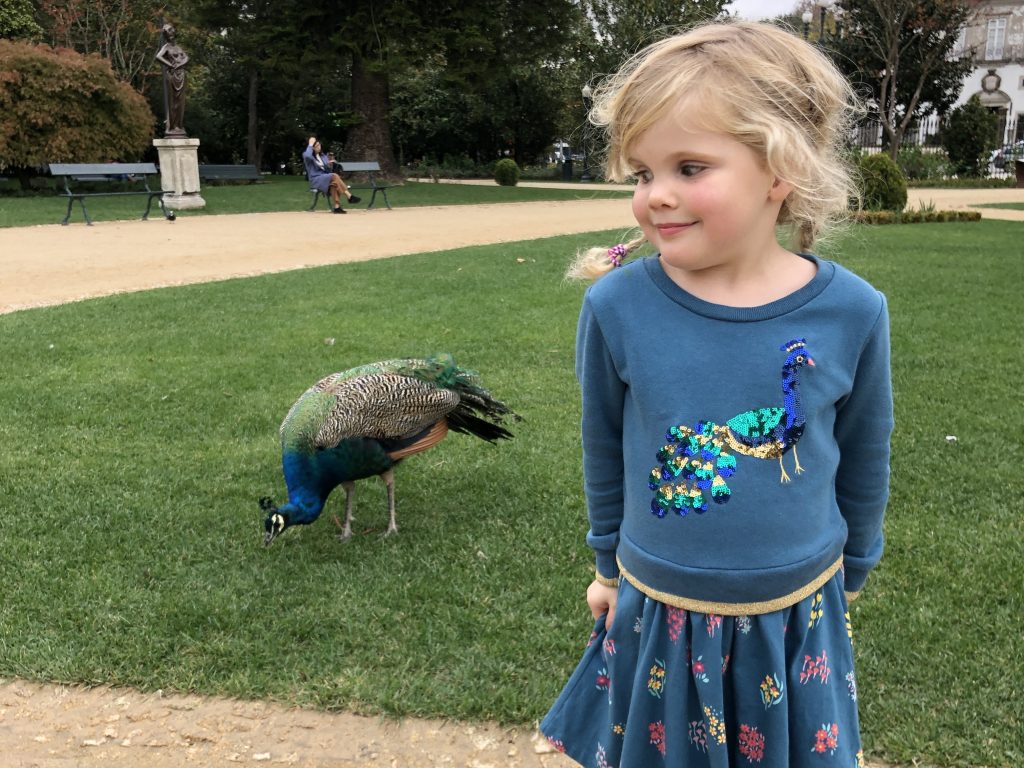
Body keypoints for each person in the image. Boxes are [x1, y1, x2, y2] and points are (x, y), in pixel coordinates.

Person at [540, 20, 893, 768]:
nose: (656, 196)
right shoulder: (616, 307)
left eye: (689, 166)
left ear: (780, 170)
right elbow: (604, 446)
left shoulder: (854, 312)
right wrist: (606, 566)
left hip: (797, 609)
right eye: (642, 173)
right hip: (660, 606)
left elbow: (865, 451)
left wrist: (856, 567)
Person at [303, 137, 361, 213]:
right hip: (316, 179)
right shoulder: (308, 157)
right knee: (334, 176)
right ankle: (349, 196)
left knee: (333, 184)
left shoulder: (323, 156)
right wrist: (310, 144)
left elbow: (327, 170)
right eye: (316, 146)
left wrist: (330, 164)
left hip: (325, 178)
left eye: (319, 145)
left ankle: (337, 207)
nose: (319, 147)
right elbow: (307, 155)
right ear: (312, 148)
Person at [155, 23, 189, 137]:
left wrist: (180, 65)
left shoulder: (178, 47)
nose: (170, 33)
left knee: (181, 102)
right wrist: (170, 65)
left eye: (170, 30)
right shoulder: (166, 47)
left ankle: (179, 125)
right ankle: (172, 126)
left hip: (182, 74)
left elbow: (187, 58)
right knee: (173, 101)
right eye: (167, 31)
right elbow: (158, 57)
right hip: (173, 75)